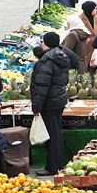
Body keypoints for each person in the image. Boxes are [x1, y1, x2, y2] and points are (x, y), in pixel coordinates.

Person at [30, 32, 70, 176]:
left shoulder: (46, 61)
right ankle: (58, 164)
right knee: (56, 133)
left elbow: (42, 86)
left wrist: (36, 106)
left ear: (46, 43)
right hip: (59, 99)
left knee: (51, 135)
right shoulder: (61, 56)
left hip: (49, 102)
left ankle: (52, 167)